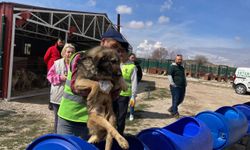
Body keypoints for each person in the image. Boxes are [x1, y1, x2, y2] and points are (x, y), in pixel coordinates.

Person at [57, 28, 129, 140]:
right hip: (70, 117)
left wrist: (117, 83)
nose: (116, 50)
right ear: (103, 42)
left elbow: (113, 96)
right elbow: (76, 88)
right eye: (114, 45)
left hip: (94, 121)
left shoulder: (112, 66)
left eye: (118, 49)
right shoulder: (81, 57)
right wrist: (100, 87)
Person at [47, 43, 75, 133]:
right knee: (57, 120)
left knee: (68, 120)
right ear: (64, 53)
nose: (70, 54)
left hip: (70, 98)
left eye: (72, 52)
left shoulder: (76, 65)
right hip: (58, 97)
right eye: (68, 52)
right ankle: (57, 137)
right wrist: (60, 78)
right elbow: (49, 76)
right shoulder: (57, 63)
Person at [113, 48, 138, 135]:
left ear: (127, 54)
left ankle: (119, 134)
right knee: (112, 115)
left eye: (123, 52)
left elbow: (134, 82)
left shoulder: (132, 67)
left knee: (121, 117)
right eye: (119, 52)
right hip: (113, 94)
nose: (120, 54)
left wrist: (133, 96)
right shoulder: (115, 64)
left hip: (124, 95)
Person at [44, 38, 65, 110]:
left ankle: (59, 102)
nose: (61, 43)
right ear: (57, 42)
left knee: (59, 87)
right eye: (60, 42)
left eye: (62, 42)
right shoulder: (51, 48)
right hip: (52, 71)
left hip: (61, 70)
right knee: (52, 87)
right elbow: (45, 58)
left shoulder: (64, 50)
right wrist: (50, 65)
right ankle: (50, 103)